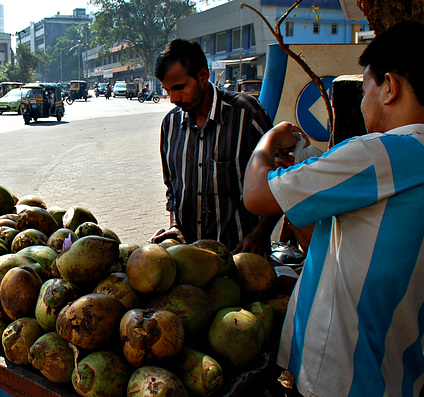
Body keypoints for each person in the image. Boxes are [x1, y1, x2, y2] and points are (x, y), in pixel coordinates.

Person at [243, 21, 424, 397]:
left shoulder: (378, 153)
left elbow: (255, 195)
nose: (362, 101)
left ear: (389, 87)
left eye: (365, 88)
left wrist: (268, 140)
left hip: (342, 378)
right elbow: (343, 249)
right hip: (402, 377)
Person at [150, 39, 276, 255]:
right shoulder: (170, 125)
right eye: (167, 90)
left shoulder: (246, 114)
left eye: (179, 88)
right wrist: (174, 225)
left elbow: (280, 182)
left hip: (241, 255)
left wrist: (261, 234)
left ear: (203, 76)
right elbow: (172, 188)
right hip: (190, 258)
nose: (173, 99)